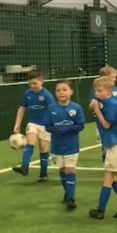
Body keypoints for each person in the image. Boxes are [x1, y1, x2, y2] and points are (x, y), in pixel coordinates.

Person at [88, 77, 117, 220]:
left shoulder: (111, 104)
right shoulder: (103, 101)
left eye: (99, 91)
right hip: (112, 144)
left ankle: (101, 210)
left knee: (108, 178)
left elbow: (107, 125)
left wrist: (96, 108)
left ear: (109, 91)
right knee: (112, 178)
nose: (96, 93)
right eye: (95, 91)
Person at [44, 80, 85, 209]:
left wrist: (69, 129)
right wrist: (54, 130)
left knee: (69, 170)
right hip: (56, 146)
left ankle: (70, 199)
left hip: (71, 145)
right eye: (58, 90)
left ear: (71, 92)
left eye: (64, 89)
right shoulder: (51, 108)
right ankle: (67, 193)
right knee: (61, 170)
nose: (61, 92)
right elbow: (47, 125)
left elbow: (80, 125)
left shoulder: (76, 108)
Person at [12, 70, 55, 181]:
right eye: (30, 83)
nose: (32, 86)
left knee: (43, 149)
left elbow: (53, 111)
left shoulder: (46, 95)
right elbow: (22, 108)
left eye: (35, 83)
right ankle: (24, 166)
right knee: (29, 142)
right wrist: (17, 124)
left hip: (45, 125)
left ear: (42, 82)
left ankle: (43, 174)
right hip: (33, 123)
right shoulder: (28, 94)